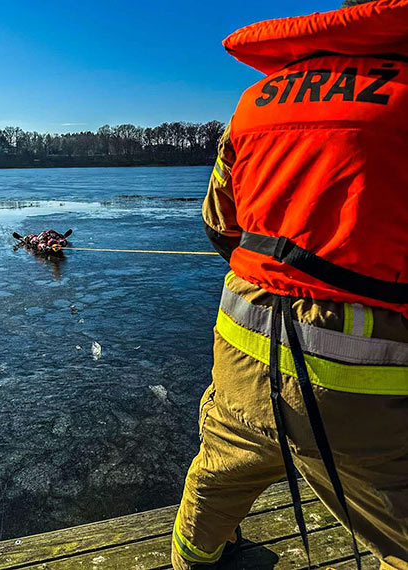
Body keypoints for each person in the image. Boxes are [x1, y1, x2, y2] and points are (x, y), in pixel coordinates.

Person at [172, 2, 408, 569]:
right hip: (370, 385)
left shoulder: (256, 101)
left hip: (243, 347)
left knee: (217, 477)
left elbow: (219, 223)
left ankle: (194, 561)